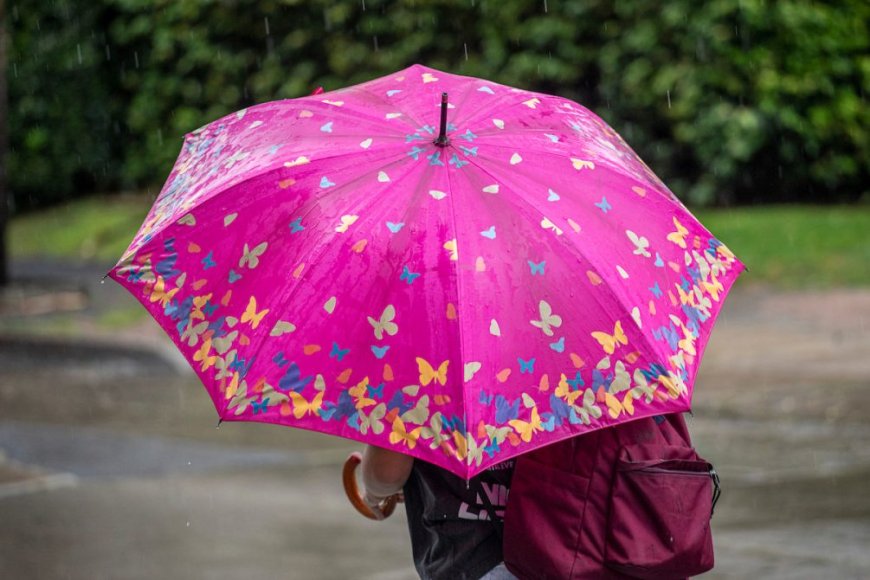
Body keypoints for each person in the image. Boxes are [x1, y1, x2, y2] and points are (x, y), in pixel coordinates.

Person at [360, 445, 517, 580]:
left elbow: (386, 472)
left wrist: (373, 494)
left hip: (464, 556)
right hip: (533, 547)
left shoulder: (412, 408)